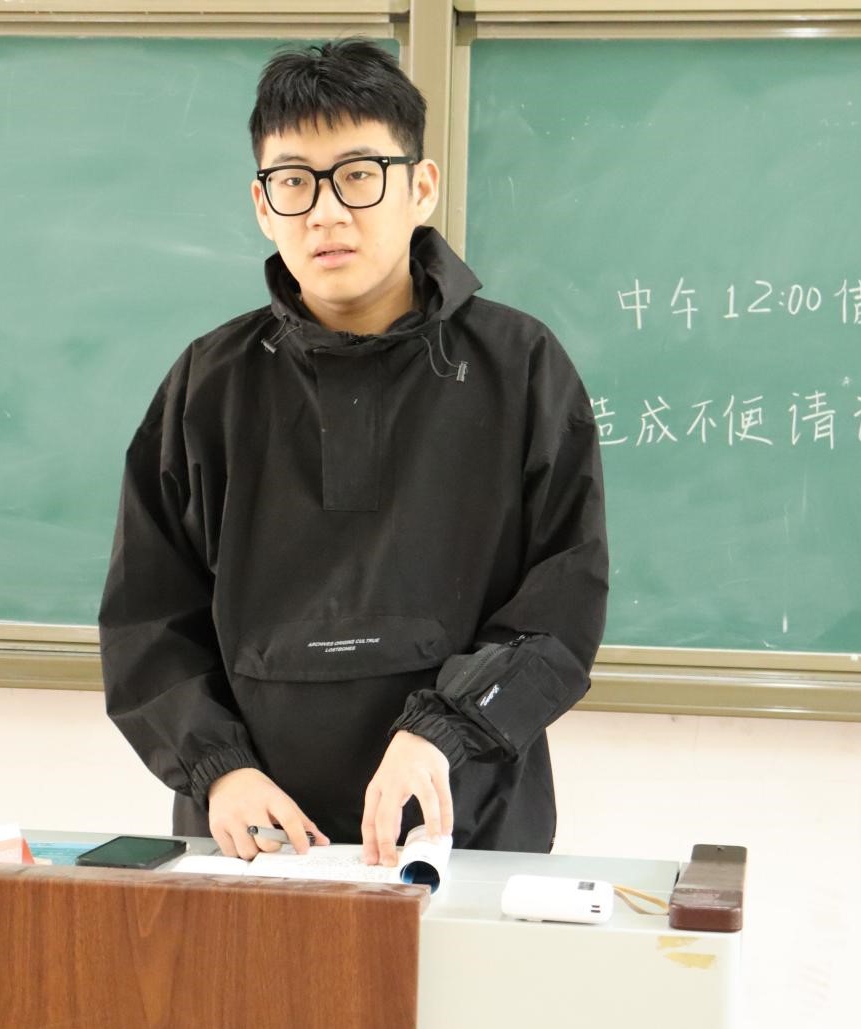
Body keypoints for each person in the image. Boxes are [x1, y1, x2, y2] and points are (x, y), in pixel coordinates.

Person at [99, 39, 607, 868]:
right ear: (262, 204)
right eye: (294, 181)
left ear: (421, 187)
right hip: (256, 845)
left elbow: (562, 602)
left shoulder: (520, 368)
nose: (326, 212)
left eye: (359, 174)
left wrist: (442, 731)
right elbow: (146, 620)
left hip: (466, 828)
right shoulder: (207, 384)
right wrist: (220, 770)